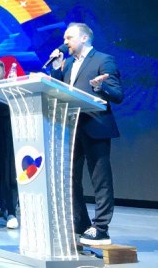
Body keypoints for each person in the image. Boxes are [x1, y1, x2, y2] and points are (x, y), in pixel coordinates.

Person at [51, 22, 123, 245]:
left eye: (69, 38)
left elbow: (118, 94)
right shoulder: (68, 64)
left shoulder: (103, 60)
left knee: (100, 178)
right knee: (70, 178)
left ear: (84, 38)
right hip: (71, 128)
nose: (65, 42)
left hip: (95, 126)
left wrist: (101, 87)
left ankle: (101, 227)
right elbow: (59, 91)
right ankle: (81, 224)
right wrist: (56, 69)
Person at [0, 59, 19, 229]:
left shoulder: (9, 90)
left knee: (8, 176)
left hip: (6, 140)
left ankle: (10, 210)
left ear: (4, 72)